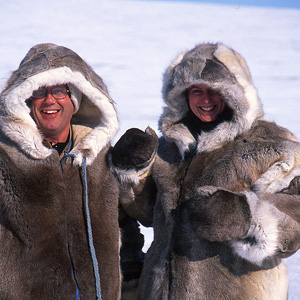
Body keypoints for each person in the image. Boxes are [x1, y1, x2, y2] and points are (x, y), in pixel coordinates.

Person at [110, 42, 300, 300]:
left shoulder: (273, 146)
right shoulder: (169, 149)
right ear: (182, 96)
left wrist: (242, 215)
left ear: (234, 95)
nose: (206, 99)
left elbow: (293, 223)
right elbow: (146, 212)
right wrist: (131, 170)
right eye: (196, 90)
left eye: (215, 90)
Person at [0, 43, 128, 299]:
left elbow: (134, 216)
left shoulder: (100, 156)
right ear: (25, 101)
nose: (49, 100)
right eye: (39, 92)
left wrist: (137, 168)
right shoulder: (5, 156)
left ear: (74, 99)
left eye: (59, 90)